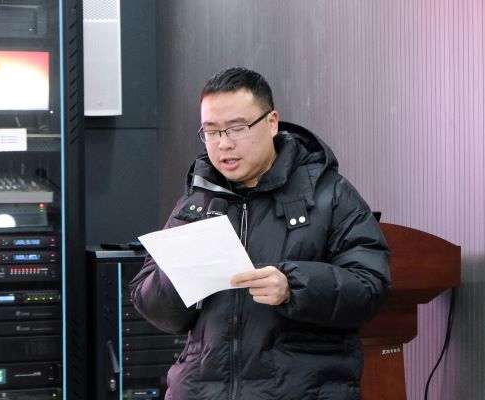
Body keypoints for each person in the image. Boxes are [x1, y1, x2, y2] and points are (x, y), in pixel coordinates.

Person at [130, 67, 391, 400]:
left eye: (237, 128)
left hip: (301, 390)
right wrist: (181, 275)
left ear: (271, 122)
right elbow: (153, 307)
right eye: (211, 131)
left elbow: (370, 287)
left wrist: (293, 286)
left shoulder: (329, 194)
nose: (224, 144)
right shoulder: (197, 200)